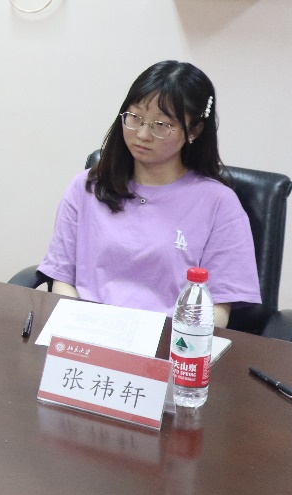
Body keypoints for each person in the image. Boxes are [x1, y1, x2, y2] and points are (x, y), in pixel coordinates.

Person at [38, 61, 260, 325]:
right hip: (86, 332)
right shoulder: (86, 187)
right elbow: (62, 279)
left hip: (168, 341)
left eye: (161, 124)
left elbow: (218, 310)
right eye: (135, 118)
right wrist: (78, 329)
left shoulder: (219, 203)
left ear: (194, 130)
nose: (143, 134)